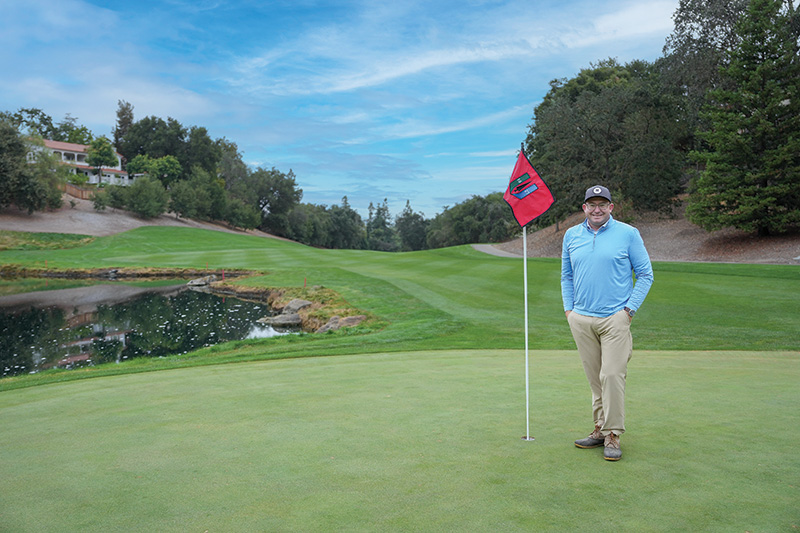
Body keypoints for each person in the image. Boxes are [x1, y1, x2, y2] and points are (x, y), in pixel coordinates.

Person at [561, 185, 654, 461]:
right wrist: (569, 310)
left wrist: (629, 311)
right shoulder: (571, 235)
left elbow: (645, 274)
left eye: (603, 204)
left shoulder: (628, 233)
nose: (597, 209)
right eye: (592, 204)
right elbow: (567, 275)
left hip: (615, 318)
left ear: (611, 207)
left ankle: (613, 433)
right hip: (581, 318)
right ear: (584, 208)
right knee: (595, 379)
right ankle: (600, 429)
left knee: (612, 375)